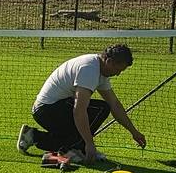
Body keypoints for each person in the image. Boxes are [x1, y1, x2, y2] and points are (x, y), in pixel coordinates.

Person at [17, 43, 146, 163]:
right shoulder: (89, 70)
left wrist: (134, 132)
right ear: (109, 61)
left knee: (101, 110)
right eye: (118, 69)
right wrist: (89, 143)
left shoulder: (100, 70)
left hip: (53, 108)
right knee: (101, 109)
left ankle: (33, 136)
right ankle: (77, 148)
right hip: (46, 111)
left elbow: (115, 104)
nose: (118, 74)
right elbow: (79, 110)